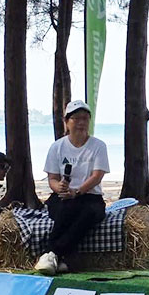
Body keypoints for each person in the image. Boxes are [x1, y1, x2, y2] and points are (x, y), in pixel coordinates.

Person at [34, 100, 111, 275]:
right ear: (66, 122)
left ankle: (51, 253)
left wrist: (77, 191)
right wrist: (59, 188)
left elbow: (97, 176)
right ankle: (65, 259)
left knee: (89, 213)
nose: (81, 123)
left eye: (85, 119)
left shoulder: (98, 146)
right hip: (63, 197)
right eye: (76, 119)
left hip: (89, 196)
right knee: (66, 210)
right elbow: (52, 178)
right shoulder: (57, 147)